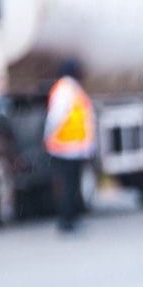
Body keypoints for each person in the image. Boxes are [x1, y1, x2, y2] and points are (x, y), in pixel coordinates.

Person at [44, 59, 97, 234]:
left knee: (70, 186)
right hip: (66, 148)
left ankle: (69, 219)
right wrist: (47, 136)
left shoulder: (68, 89)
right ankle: (66, 220)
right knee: (69, 187)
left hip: (70, 147)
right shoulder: (66, 90)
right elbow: (56, 117)